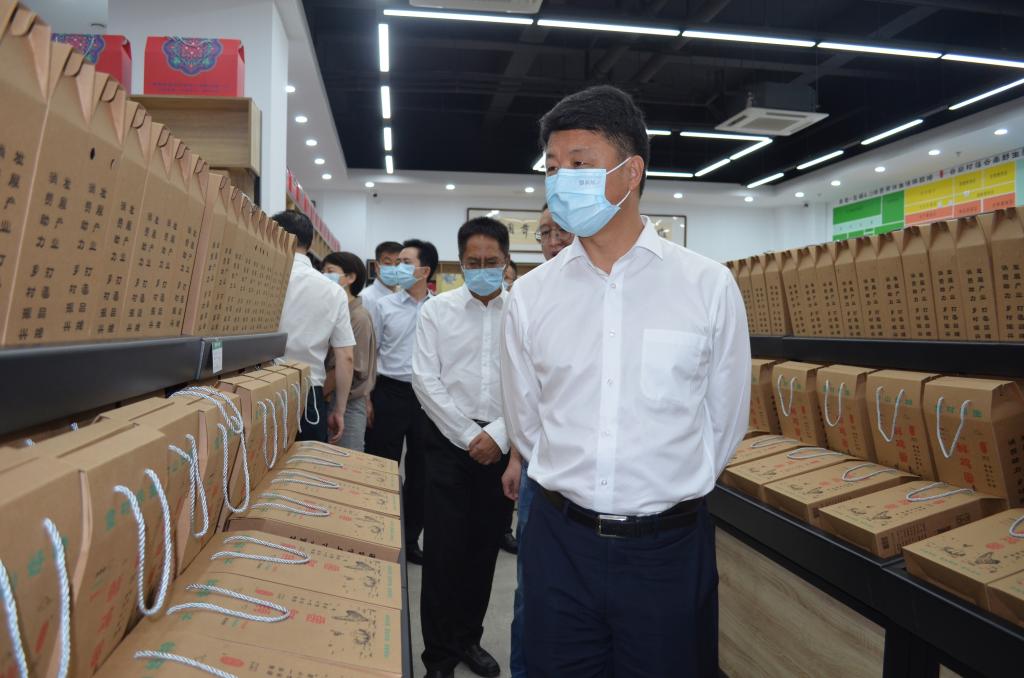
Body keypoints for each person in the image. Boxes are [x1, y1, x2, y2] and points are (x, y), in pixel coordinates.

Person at [500, 85, 751, 677]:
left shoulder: (707, 286)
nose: (561, 181)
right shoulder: (531, 296)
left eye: (580, 164)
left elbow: (725, 419)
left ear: (630, 172)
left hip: (668, 550)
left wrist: (660, 493)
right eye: (553, 168)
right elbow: (527, 422)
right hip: (559, 544)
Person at [413, 217, 514, 678]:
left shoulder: (523, 311)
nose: (482, 269)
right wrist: (469, 435)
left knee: (483, 549)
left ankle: (468, 639)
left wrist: (499, 435)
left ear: (506, 261)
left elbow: (536, 380)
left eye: (491, 262)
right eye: (473, 262)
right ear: (460, 263)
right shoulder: (437, 311)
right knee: (443, 553)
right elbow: (425, 378)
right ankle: (438, 656)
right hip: (447, 441)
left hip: (504, 442)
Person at [501, 203, 576, 677]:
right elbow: (522, 398)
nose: (552, 242)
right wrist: (517, 458)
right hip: (540, 471)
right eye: (544, 233)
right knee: (533, 587)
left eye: (561, 231)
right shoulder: (530, 296)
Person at [365, 238, 439, 565]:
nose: (398, 268)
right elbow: (372, 354)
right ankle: (377, 534)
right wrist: (368, 397)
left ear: (425, 271)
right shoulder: (384, 306)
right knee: (382, 467)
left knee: (421, 472)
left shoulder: (439, 308)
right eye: (397, 262)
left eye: (406, 262)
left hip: (426, 398)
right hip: (389, 392)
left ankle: (409, 540)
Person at [274, 210, 355, 444]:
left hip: (264, 389)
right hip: (309, 392)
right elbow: (346, 356)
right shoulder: (334, 291)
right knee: (307, 462)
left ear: (274, 236)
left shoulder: (262, 277)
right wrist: (339, 409)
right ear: (309, 244)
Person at [322, 252, 377, 451]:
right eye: (322, 271)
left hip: (346, 403)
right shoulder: (338, 310)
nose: (324, 276)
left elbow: (348, 365)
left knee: (344, 460)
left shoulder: (358, 317)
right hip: (333, 398)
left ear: (350, 277)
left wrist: (314, 397)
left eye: (330, 271)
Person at [361, 240, 403, 314]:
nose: (393, 268)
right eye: (387, 263)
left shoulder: (403, 295)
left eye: (398, 264)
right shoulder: (365, 297)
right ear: (376, 266)